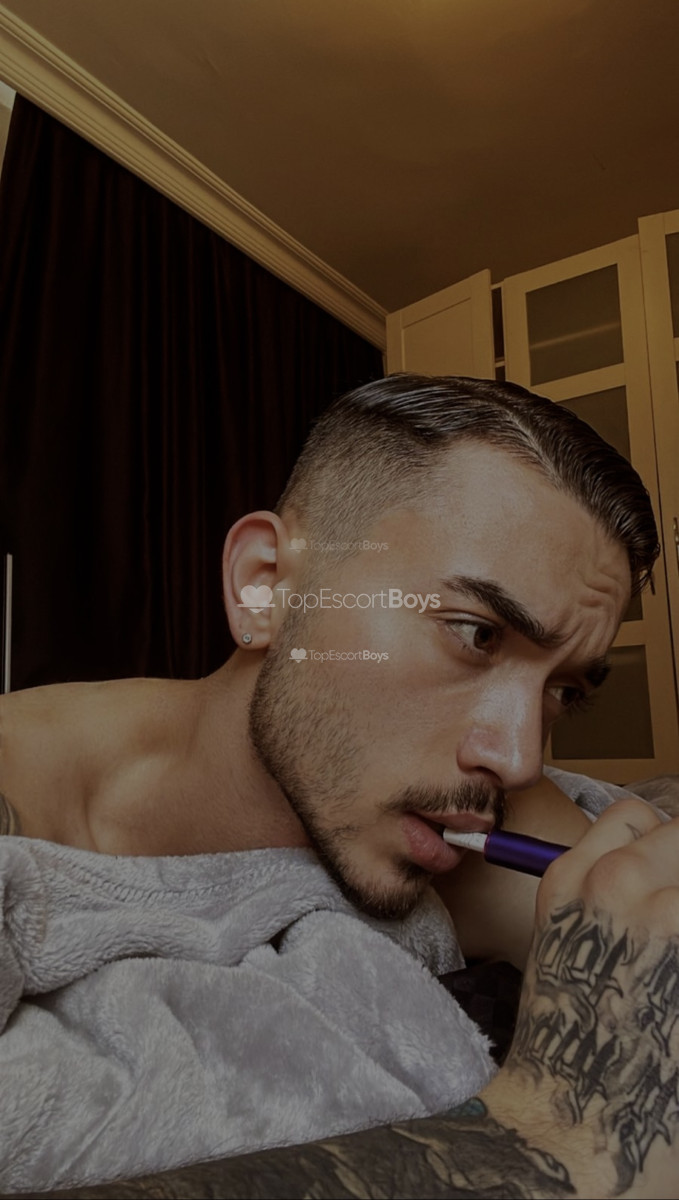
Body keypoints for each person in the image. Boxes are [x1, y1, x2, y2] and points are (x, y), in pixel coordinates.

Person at [0, 373, 677, 1199]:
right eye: (474, 633)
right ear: (265, 586)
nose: (517, 756)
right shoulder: (19, 799)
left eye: (563, 691)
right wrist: (550, 1134)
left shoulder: (462, 808)